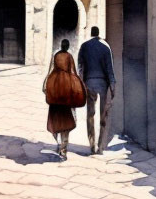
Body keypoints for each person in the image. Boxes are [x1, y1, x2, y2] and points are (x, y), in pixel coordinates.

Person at [77, 26, 116, 154]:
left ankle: (91, 144)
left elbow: (80, 66)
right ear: (98, 34)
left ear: (91, 33)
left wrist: (81, 82)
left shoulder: (84, 46)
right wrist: (112, 85)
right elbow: (110, 69)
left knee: (90, 115)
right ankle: (100, 146)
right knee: (103, 115)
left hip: (89, 83)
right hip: (102, 84)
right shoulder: (105, 48)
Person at [43, 39, 80, 160]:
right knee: (66, 120)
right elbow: (74, 72)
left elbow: (49, 72)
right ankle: (63, 149)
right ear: (68, 47)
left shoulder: (56, 56)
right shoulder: (69, 57)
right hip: (66, 89)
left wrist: (45, 86)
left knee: (55, 117)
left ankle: (58, 142)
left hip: (55, 88)